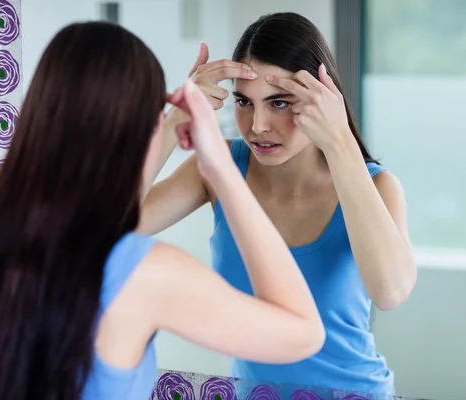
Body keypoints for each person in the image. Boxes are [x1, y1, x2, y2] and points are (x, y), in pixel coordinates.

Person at [0, 21, 326, 400]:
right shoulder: (144, 274)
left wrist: (168, 126)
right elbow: (303, 332)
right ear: (140, 133)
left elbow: (101, 221)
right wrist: (220, 166)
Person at [140, 12, 417, 396]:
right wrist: (175, 120)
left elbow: (390, 293)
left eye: (280, 103)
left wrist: (340, 143)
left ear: (321, 99)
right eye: (244, 102)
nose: (257, 125)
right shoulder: (218, 166)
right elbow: (112, 227)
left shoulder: (378, 186)